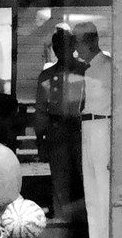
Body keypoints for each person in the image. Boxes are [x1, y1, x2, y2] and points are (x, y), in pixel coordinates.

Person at [33, 28, 85, 227]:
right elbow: (41, 111)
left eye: (64, 45)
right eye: (57, 46)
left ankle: (88, 224)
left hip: (81, 129)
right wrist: (40, 141)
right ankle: (62, 225)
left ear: (72, 47)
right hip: (57, 129)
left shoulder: (85, 71)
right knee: (60, 180)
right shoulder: (47, 76)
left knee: (86, 176)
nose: (60, 50)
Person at [73, 22, 111, 238]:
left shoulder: (106, 67)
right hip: (88, 127)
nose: (75, 50)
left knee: (103, 192)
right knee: (92, 192)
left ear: (89, 41)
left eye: (77, 43)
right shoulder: (87, 70)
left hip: (103, 126)